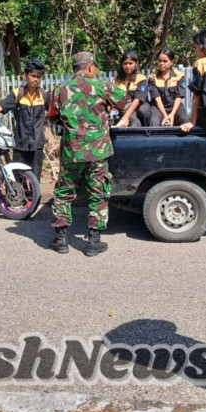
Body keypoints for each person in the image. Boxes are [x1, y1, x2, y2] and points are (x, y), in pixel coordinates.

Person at [49, 51, 126, 257]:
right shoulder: (102, 87)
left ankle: (61, 240)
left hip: (71, 151)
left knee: (64, 194)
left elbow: (54, 117)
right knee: (97, 195)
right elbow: (124, 101)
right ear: (90, 67)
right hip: (97, 152)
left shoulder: (59, 90)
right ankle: (93, 243)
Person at [0, 58, 50, 180]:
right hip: (21, 143)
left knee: (36, 176)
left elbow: (54, 110)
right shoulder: (18, 94)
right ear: (26, 76)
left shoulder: (44, 95)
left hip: (37, 144)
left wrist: (48, 116)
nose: (35, 79)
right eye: (33, 76)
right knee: (18, 175)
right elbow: (1, 106)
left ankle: (34, 199)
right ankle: (19, 198)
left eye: (38, 77)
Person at [147, 48, 189, 127]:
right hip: (158, 108)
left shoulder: (179, 76)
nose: (161, 63)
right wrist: (165, 115)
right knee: (154, 121)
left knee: (184, 120)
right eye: (159, 60)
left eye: (165, 61)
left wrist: (172, 114)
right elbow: (157, 99)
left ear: (172, 62)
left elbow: (178, 97)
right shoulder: (152, 77)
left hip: (175, 106)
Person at [113, 50, 150, 128]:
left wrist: (126, 116)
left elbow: (138, 100)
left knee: (143, 111)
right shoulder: (116, 79)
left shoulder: (141, 78)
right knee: (135, 122)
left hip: (139, 106)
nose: (128, 66)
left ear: (136, 63)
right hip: (125, 108)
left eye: (130, 63)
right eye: (125, 63)